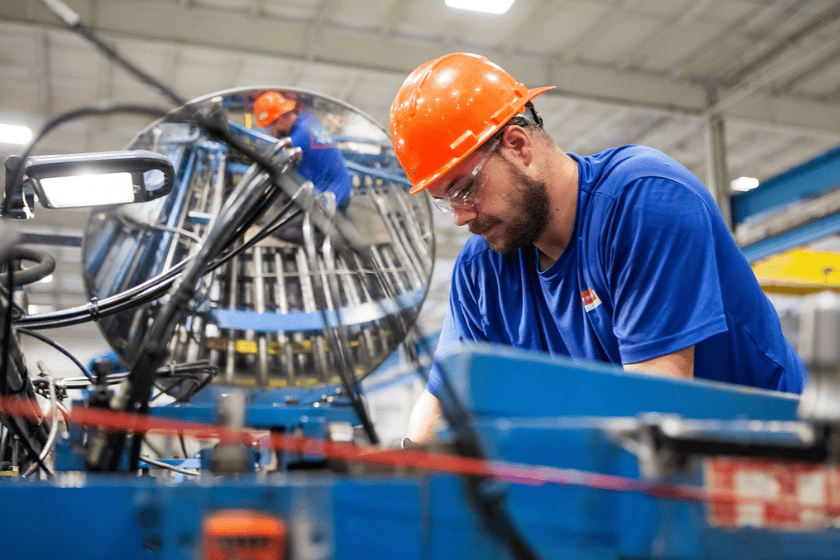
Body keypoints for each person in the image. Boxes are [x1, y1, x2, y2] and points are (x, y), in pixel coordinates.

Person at [388, 52, 808, 444]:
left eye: (465, 188)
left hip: (773, 461)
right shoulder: (483, 270)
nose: (461, 216)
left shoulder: (645, 201)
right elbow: (442, 404)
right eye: (446, 201)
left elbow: (656, 410)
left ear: (518, 146)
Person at [253, 91, 351, 210]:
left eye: (268, 127)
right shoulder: (308, 119)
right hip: (343, 185)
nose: (269, 132)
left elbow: (280, 174)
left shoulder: (295, 143)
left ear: (279, 119)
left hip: (330, 198)